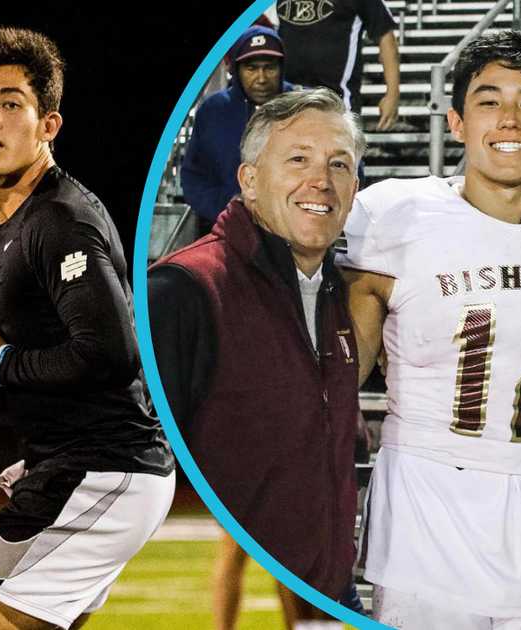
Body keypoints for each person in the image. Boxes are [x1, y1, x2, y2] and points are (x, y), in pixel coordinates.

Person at [0, 27, 175, 630]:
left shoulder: (59, 221)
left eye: (10, 103)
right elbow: (60, 364)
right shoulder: (18, 224)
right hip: (70, 470)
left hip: (102, 472)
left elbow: (111, 354)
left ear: (48, 124)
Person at [341, 31, 521, 629]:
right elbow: (340, 369)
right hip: (427, 509)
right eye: (489, 101)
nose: (510, 120)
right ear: (458, 122)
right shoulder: (394, 215)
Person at [149, 88, 365, 625]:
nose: (321, 179)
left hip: (334, 592)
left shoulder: (343, 292)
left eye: (338, 163)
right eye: (297, 159)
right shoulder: (184, 288)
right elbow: (130, 456)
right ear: (248, 180)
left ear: (355, 187)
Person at [182, 25, 296, 229]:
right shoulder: (213, 110)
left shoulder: (302, 107)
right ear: (236, 70)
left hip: (288, 230)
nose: (261, 78)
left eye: (269, 67)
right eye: (251, 68)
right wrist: (226, 208)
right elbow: (193, 176)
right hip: (223, 229)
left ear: (282, 69)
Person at [276, 0, 400, 129]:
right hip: (288, 100)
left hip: (338, 103)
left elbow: (386, 37)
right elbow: (252, 15)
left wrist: (392, 95)